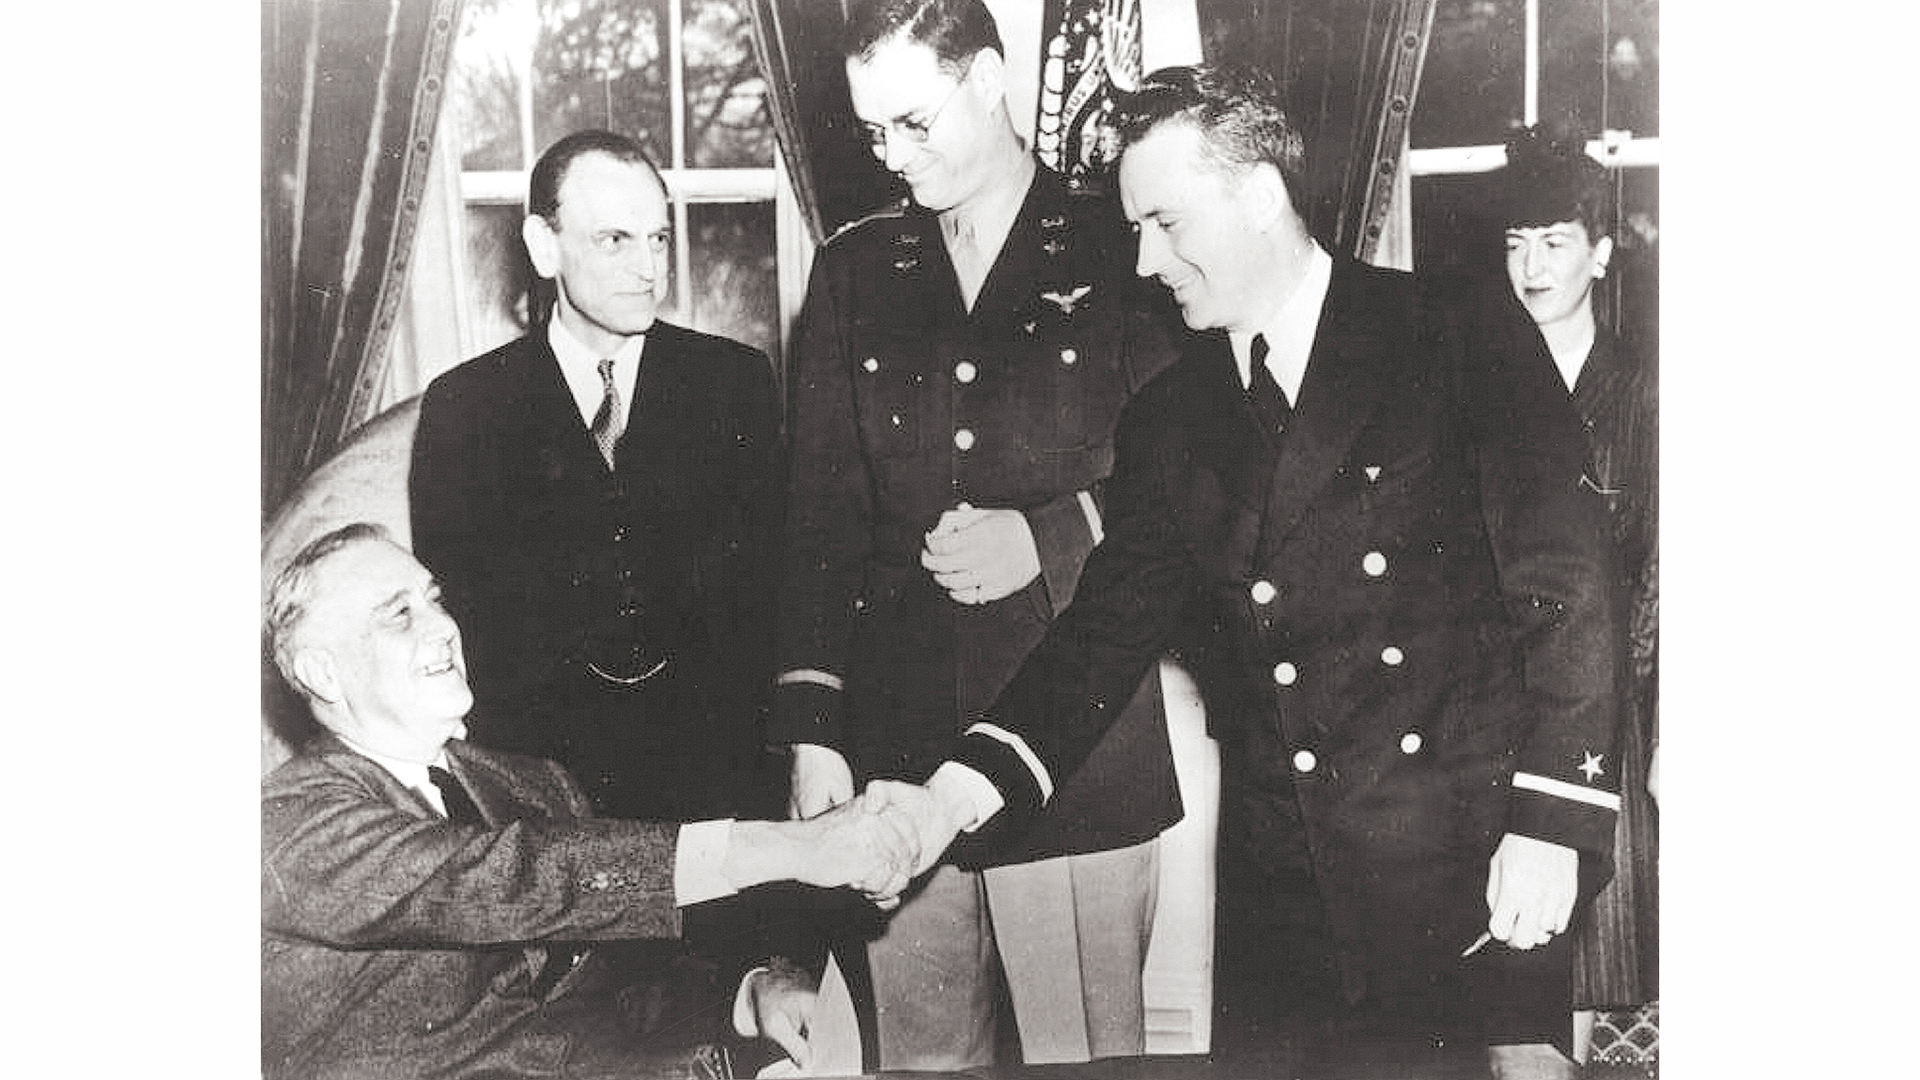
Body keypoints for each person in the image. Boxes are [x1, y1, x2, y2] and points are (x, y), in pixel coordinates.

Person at [868, 64, 1623, 1080]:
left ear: (1261, 196)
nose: (1144, 260)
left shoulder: (1452, 332)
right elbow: (1097, 644)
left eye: (1168, 223)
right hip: (1284, 902)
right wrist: (948, 798)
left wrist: (1551, 824)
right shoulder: (1172, 419)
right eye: (1136, 227)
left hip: (1467, 877)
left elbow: (1567, 585)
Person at [771, 0, 1184, 1068]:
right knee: (919, 1062)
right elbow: (820, 518)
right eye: (871, 133)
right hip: (896, 759)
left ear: (991, 79)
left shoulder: (1126, 239)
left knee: (1081, 1059)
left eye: (914, 122)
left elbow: (1196, 480)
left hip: (1077, 753)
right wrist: (814, 728)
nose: (892, 157)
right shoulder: (856, 270)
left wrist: (1051, 537)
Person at [261, 523, 915, 1080]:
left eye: (435, 600)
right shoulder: (286, 826)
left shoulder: (532, 785)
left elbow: (621, 987)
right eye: (399, 615)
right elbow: (499, 879)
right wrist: (788, 846)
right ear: (323, 672)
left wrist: (747, 997)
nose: (443, 627)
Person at [410, 129, 783, 826]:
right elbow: (471, 631)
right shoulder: (466, 409)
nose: (648, 267)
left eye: (660, 239)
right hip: (545, 798)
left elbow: (764, 606)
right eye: (616, 240)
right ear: (544, 246)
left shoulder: (735, 385)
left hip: (716, 785)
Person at [1496, 125, 1658, 1062]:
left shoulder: (1643, 392)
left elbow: (1661, 580)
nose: (1531, 265)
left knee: (1601, 998)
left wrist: (1625, 717)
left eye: (1554, 241)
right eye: (1515, 242)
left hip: (1610, 736)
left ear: (1599, 252)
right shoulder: (1473, 387)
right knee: (1512, 1010)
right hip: (1498, 738)